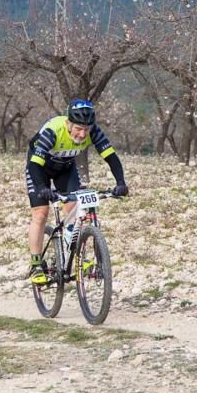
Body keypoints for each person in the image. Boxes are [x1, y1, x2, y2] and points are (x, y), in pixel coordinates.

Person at [25, 99, 129, 285]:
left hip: (66, 168)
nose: (82, 134)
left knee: (73, 208)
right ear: (68, 124)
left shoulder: (93, 132)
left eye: (86, 130)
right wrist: (42, 187)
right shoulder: (53, 131)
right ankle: (36, 264)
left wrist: (120, 182)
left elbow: (111, 157)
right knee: (40, 214)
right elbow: (34, 164)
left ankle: (74, 257)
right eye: (78, 129)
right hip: (39, 168)